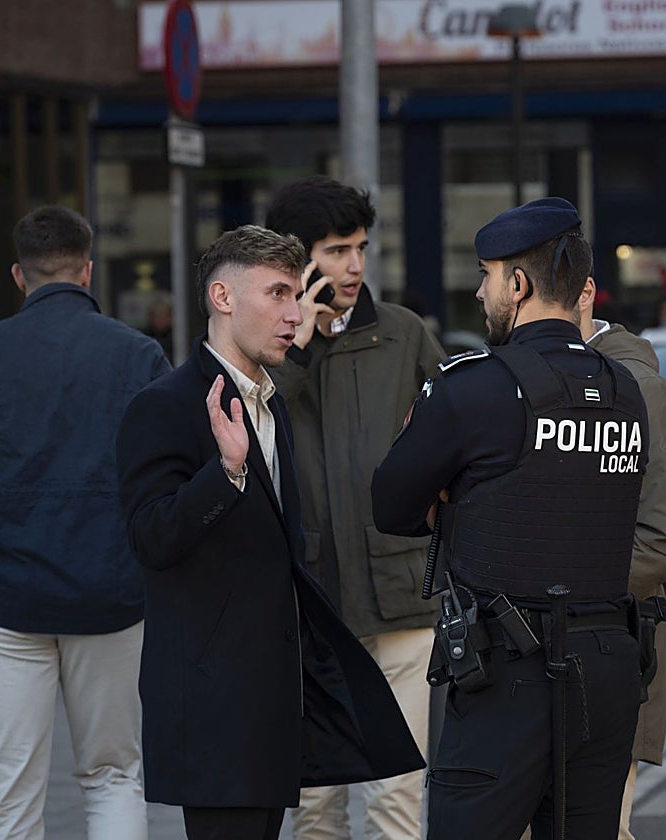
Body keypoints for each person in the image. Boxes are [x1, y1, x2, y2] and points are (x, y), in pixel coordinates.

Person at [115, 224, 424, 840]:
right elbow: (150, 539)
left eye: (295, 295)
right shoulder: (165, 404)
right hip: (212, 702)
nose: (294, 314)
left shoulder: (270, 400)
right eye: (278, 294)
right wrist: (224, 473)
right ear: (223, 298)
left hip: (268, 696)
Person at [0, 206, 170, 840]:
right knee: (114, 776)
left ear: (19, 275)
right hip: (112, 593)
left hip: (5, 592)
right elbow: (175, 467)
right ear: (88, 271)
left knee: (12, 788)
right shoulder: (139, 355)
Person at [372, 197, 649, 840]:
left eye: (487, 275)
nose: (479, 291)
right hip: (607, 667)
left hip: (507, 676)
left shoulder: (473, 386)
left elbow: (390, 506)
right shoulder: (621, 389)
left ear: (519, 284)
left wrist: (455, 495)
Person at [263, 176, 445, 840]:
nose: (355, 265)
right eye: (337, 250)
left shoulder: (405, 335)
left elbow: (451, 449)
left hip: (401, 600)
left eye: (361, 247)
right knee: (316, 808)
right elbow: (250, 436)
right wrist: (299, 349)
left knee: (397, 801)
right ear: (297, 258)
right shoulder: (267, 347)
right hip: (312, 609)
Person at [578, 279, 666, 840]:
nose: (480, 294)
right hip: (532, 659)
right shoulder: (518, 378)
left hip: (617, 643)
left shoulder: (641, 390)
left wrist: (560, 582)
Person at [144, 293, 175, 361]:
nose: (159, 320)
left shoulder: (176, 337)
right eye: (156, 316)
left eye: (162, 317)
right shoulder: (145, 337)